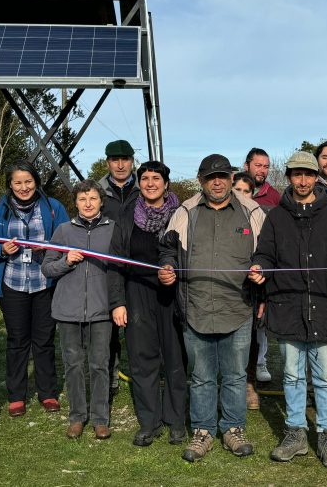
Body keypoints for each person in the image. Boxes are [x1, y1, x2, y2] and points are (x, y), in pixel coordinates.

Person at [158, 154, 267, 462]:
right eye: (210, 177)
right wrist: (167, 267)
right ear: (200, 180)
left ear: (232, 178)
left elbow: (268, 253)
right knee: (202, 376)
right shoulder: (185, 212)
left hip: (239, 309)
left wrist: (262, 272)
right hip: (197, 309)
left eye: (222, 176)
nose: (217, 181)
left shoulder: (252, 211)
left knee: (234, 375)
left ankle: (233, 429)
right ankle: (203, 431)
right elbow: (167, 248)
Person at [249, 151, 327, 469]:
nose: (302, 180)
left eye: (308, 174)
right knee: (292, 375)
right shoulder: (277, 217)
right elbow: (265, 252)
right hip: (287, 308)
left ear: (315, 177)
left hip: (325, 308)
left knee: (325, 377)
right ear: (289, 176)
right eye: (296, 174)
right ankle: (295, 433)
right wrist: (259, 266)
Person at [0, 160, 70, 418]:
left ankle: (48, 393)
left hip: (44, 282)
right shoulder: (1, 210)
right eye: (17, 182)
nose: (23, 187)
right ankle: (16, 396)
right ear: (10, 184)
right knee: (17, 341)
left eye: (28, 181)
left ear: (36, 182)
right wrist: (1, 250)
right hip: (13, 283)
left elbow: (67, 240)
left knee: (43, 341)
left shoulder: (53, 208)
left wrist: (50, 249)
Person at [108, 161, 186, 447]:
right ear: (138, 183)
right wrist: (117, 301)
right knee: (142, 361)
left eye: (156, 178)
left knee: (175, 359)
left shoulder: (182, 214)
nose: (150, 183)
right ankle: (149, 421)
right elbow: (115, 259)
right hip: (136, 292)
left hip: (172, 294)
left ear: (166, 183)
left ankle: (176, 421)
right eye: (145, 178)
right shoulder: (126, 214)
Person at [41, 180, 117, 440]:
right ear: (75, 202)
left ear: (101, 202)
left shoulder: (113, 230)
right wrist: (66, 261)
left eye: (93, 199)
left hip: (101, 309)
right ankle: (76, 417)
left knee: (99, 364)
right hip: (67, 310)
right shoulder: (63, 231)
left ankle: (99, 418)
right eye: (83, 199)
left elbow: (121, 270)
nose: (88, 204)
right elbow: (47, 268)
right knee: (73, 364)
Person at [98, 139, 140, 401]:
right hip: (107, 266)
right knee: (108, 328)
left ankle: (143, 374)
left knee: (139, 325)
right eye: (115, 160)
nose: (121, 164)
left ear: (132, 161)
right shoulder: (99, 192)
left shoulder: (144, 187)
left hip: (138, 267)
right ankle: (110, 377)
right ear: (108, 163)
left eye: (125, 159)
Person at [235, 169, 273, 389]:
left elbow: (268, 254)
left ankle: (249, 381)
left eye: (246, 191)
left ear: (253, 193)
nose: (241, 194)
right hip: (229, 288)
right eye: (237, 189)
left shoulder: (260, 216)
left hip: (254, 286)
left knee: (253, 335)